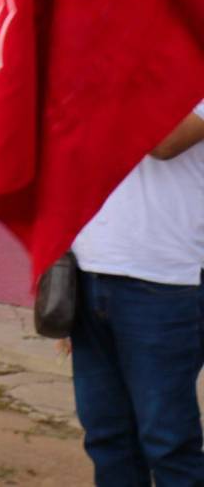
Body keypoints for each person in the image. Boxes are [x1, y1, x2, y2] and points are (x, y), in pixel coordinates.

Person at [67, 101, 204, 484]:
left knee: (168, 441)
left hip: (166, 282)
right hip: (90, 269)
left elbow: (163, 143)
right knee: (107, 436)